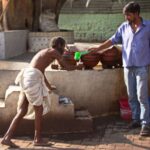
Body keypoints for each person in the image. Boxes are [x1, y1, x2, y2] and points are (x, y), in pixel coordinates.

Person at [0, 36, 83, 147]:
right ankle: (37, 139)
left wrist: (49, 87)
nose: (64, 49)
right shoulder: (54, 51)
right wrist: (77, 66)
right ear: (59, 45)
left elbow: (41, 72)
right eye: (63, 46)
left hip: (27, 77)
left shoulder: (46, 52)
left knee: (22, 111)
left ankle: (7, 137)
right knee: (39, 109)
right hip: (31, 78)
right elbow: (67, 67)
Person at [89, 1, 150, 136]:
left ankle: (145, 124)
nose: (126, 17)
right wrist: (98, 49)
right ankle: (136, 120)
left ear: (136, 14)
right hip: (128, 66)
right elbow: (112, 40)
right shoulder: (124, 27)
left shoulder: (148, 27)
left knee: (142, 95)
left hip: (142, 66)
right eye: (125, 15)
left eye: (128, 15)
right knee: (132, 95)